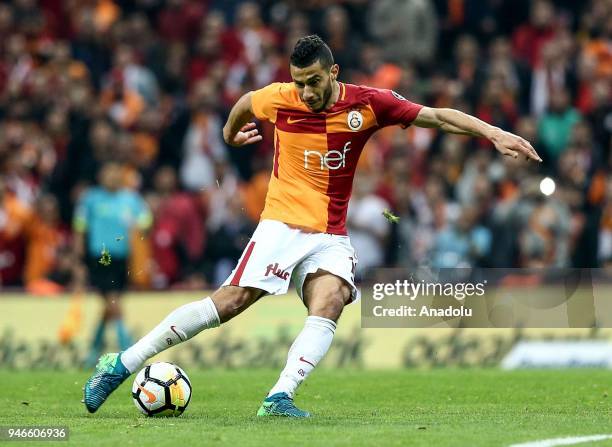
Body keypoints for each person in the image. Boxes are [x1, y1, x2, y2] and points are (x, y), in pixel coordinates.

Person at [83, 35, 541, 417]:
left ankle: (279, 396)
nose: (306, 92)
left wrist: (494, 133)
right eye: (300, 83)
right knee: (231, 302)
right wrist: (228, 135)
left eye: (314, 82)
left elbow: (437, 116)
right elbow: (245, 103)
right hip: (282, 224)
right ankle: (120, 364)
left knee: (334, 297)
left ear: (334, 72)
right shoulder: (280, 97)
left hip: (330, 234)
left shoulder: (368, 104)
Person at [74, 162, 152, 367]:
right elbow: (80, 228)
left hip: (122, 258)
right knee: (113, 301)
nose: (112, 177)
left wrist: (138, 227)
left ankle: (94, 350)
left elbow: (146, 221)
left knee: (110, 304)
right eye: (108, 173)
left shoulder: (131, 199)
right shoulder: (91, 198)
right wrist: (79, 261)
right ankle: (128, 351)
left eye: (116, 173)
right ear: (101, 176)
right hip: (101, 258)